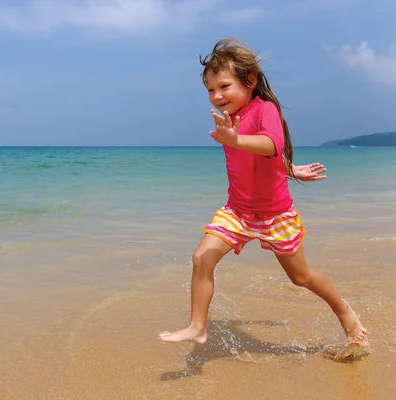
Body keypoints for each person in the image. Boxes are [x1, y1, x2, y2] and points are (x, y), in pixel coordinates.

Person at [158, 38, 368, 347]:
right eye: (210, 90)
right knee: (201, 257)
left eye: (224, 86)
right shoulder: (229, 121)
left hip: (276, 214)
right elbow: (255, 161)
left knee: (301, 277)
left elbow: (272, 144)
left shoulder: (264, 109)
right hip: (238, 211)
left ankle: (344, 310)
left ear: (251, 80)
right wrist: (289, 168)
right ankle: (197, 327)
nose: (216, 96)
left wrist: (236, 140)